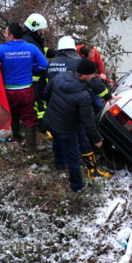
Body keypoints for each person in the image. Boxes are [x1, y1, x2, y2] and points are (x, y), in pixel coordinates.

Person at [47, 36, 120, 179]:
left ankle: (60, 165)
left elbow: (45, 90)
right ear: (73, 48)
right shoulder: (78, 63)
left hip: (55, 109)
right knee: (82, 137)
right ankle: (92, 170)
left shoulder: (52, 64)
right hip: (73, 108)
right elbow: (94, 82)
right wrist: (108, 96)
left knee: (56, 136)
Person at [43, 59, 104, 192]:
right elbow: (87, 121)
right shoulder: (84, 96)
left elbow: (46, 93)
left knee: (57, 141)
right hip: (65, 129)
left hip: (49, 121)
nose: (94, 76)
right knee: (73, 157)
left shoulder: (61, 76)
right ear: (84, 75)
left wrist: (53, 110)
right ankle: (77, 187)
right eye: (92, 74)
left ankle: (59, 164)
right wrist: (97, 139)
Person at [0, 22, 48, 152]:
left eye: (5, 32)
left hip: (9, 91)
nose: (4, 34)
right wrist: (33, 69)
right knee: (29, 116)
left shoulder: (1, 49)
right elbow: (43, 64)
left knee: (13, 114)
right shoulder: (31, 47)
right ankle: (32, 147)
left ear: (11, 36)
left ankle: (17, 137)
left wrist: (0, 74)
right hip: (26, 90)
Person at [22, 13, 57, 133]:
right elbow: (34, 59)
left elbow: (39, 52)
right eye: (40, 30)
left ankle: (44, 126)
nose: (41, 32)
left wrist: (51, 52)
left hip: (37, 78)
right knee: (39, 104)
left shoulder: (31, 39)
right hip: (34, 79)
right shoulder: (29, 41)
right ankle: (43, 129)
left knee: (41, 102)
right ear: (34, 29)